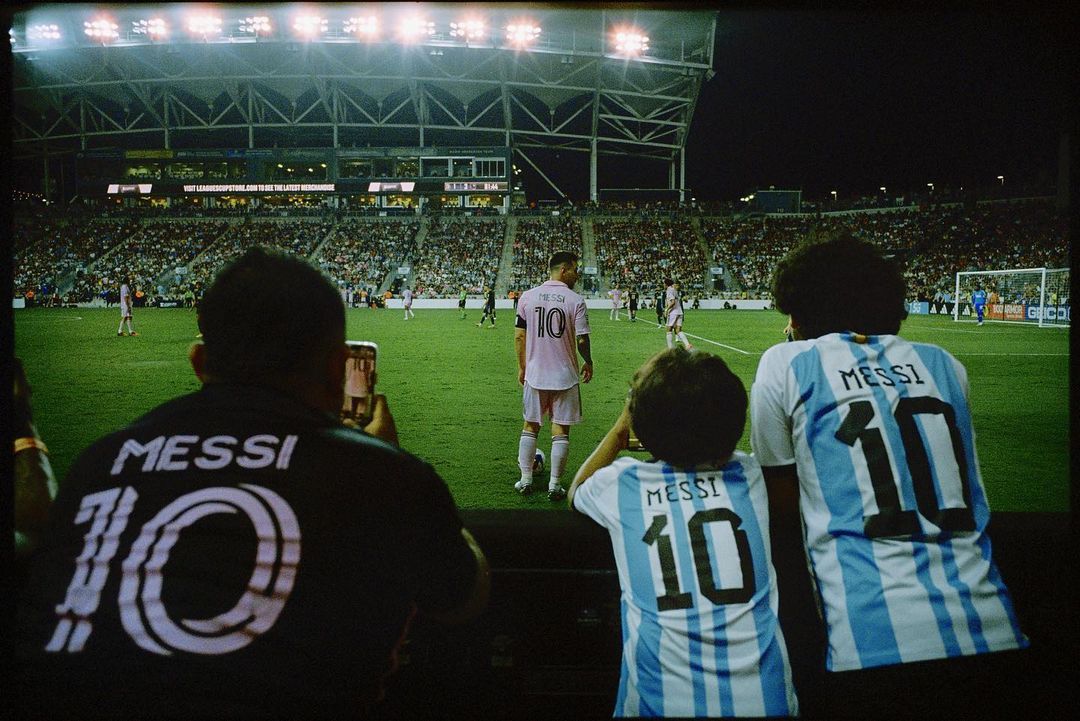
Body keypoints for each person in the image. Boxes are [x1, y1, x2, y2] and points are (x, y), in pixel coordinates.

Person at [14, 247, 490, 720]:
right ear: (336, 367)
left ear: (199, 362)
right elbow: (465, 597)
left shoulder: (101, 461)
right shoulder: (379, 474)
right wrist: (392, 461)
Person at [750, 232, 1029, 720]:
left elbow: (782, 514)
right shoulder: (945, 366)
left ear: (804, 311)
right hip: (990, 626)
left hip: (869, 636)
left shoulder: (785, 364)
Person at [568, 348, 799, 718]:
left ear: (643, 426)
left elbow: (576, 489)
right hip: (767, 704)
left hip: (656, 707)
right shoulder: (752, 477)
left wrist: (621, 426)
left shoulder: (623, 483)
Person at [514, 251, 593, 501]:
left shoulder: (527, 297)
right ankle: (554, 485)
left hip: (536, 373)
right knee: (561, 430)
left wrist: (522, 367)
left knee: (531, 426)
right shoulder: (575, 300)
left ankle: (526, 479)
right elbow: (582, 339)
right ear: (564, 270)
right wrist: (588, 361)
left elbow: (519, 335)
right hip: (565, 375)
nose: (577, 274)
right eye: (575, 269)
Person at [663, 278, 692, 350]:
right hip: (679, 311)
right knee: (678, 330)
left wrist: (666, 310)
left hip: (673, 312)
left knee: (669, 329)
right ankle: (687, 345)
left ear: (666, 284)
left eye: (664, 283)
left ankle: (670, 348)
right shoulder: (674, 290)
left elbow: (672, 302)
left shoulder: (669, 290)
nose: (663, 285)